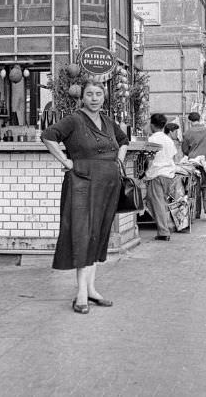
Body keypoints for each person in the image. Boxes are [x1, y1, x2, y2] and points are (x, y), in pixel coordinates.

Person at [41, 80, 129, 314]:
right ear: (82, 97)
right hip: (82, 181)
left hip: (108, 183)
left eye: (99, 94)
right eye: (89, 94)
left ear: (104, 97)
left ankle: (91, 289)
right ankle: (80, 293)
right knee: (82, 233)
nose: (94, 98)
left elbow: (124, 140)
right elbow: (48, 136)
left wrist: (119, 159)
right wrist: (66, 161)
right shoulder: (74, 119)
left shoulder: (109, 121)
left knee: (98, 234)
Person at [145, 114, 178, 241]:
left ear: (152, 125)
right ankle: (167, 226)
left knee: (156, 203)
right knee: (160, 202)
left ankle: (164, 231)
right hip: (168, 174)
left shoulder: (152, 139)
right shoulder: (168, 139)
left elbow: (149, 158)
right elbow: (174, 157)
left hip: (157, 174)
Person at [181, 112, 206, 218]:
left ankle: (196, 212)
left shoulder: (187, 133)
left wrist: (192, 153)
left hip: (193, 163)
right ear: (200, 119)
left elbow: (185, 150)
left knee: (194, 187)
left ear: (189, 121)